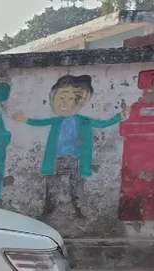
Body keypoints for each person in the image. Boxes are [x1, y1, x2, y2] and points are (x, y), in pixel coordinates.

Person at [13, 75, 127, 218]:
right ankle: (49, 208)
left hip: (75, 159)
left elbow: (102, 124)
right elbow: (40, 122)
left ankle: (78, 210)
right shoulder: (56, 120)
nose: (64, 103)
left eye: (70, 99)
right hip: (57, 158)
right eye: (61, 98)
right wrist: (25, 120)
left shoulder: (84, 121)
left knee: (76, 186)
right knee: (52, 185)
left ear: (80, 102)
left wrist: (118, 117)